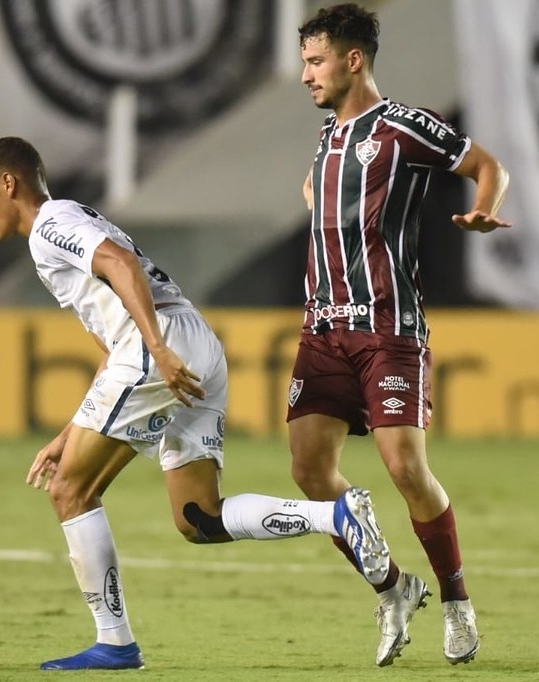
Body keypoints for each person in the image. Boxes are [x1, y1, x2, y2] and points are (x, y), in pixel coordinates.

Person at [0, 136, 392, 671]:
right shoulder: (66, 222)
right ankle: (334, 514)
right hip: (190, 339)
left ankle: (115, 643)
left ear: (9, 184)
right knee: (200, 518)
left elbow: (119, 263)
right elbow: (111, 343)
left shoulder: (51, 224)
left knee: (70, 489)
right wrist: (70, 431)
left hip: (161, 344)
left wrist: (158, 349)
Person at [291, 3, 511, 668]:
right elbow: (316, 192)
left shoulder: (399, 125)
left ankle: (454, 602)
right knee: (309, 473)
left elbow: (486, 164)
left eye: (314, 61)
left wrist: (481, 212)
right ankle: (392, 587)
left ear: (352, 60)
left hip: (388, 328)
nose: (305, 75)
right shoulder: (328, 138)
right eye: (304, 62)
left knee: (404, 470)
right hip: (321, 331)